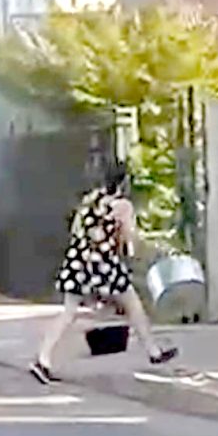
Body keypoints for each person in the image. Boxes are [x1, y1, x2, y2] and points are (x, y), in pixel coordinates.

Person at [30, 161, 178, 384]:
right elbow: (130, 241)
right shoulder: (122, 206)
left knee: (69, 311)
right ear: (124, 182)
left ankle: (43, 358)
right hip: (104, 263)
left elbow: (77, 230)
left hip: (79, 260)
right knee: (132, 302)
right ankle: (153, 351)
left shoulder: (90, 200)